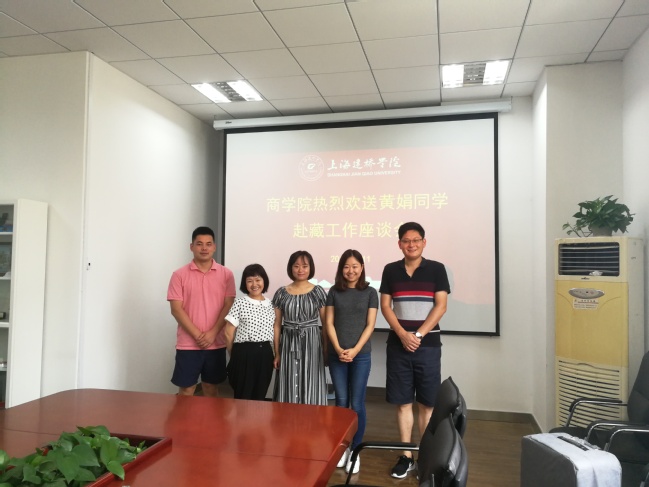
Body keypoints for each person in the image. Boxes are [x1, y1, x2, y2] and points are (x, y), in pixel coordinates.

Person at [379, 222, 450, 479]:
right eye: (406, 241)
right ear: (399, 244)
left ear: (424, 242)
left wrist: (418, 335)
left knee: (427, 405)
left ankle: (426, 457)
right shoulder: (390, 270)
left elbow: (441, 306)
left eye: (416, 240)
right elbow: (385, 306)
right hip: (398, 346)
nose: (411, 244)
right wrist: (402, 334)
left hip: (427, 346)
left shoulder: (437, 269)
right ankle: (406, 456)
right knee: (402, 403)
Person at [325, 249, 378, 475]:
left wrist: (354, 350)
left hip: (361, 355)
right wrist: (338, 349)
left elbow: (370, 324)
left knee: (356, 404)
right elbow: (329, 323)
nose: (351, 270)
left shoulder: (370, 292)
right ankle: (343, 447)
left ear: (362, 267)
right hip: (337, 355)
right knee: (341, 402)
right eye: (346, 266)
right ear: (341, 269)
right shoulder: (334, 291)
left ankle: (355, 450)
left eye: (355, 266)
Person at [167, 226, 236, 397]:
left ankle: (210, 417)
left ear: (214, 247)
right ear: (191, 247)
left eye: (208, 244)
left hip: (216, 342)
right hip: (188, 343)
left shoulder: (226, 274)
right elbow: (176, 309)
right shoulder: (179, 275)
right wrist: (198, 335)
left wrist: (213, 333)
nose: (204, 248)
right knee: (187, 389)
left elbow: (228, 305)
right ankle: (184, 417)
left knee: (211, 387)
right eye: (199, 244)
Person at [272, 250, 328, 405]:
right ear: (290, 268)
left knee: (311, 380)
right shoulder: (281, 293)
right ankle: (287, 417)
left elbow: (325, 324)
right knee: (288, 379)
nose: (300, 270)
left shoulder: (318, 292)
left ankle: (312, 417)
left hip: (312, 342)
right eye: (296, 266)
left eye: (305, 266)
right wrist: (277, 352)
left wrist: (325, 349)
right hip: (288, 342)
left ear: (311, 268)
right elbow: (276, 325)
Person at [224, 264, 279, 400]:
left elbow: (274, 330)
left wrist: (276, 353)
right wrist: (234, 355)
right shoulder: (240, 303)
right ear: (245, 284)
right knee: (243, 396)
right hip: (244, 353)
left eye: (258, 280)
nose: (254, 284)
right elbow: (228, 333)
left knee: (260, 395)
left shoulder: (271, 304)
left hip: (266, 354)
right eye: (250, 281)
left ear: (264, 281)